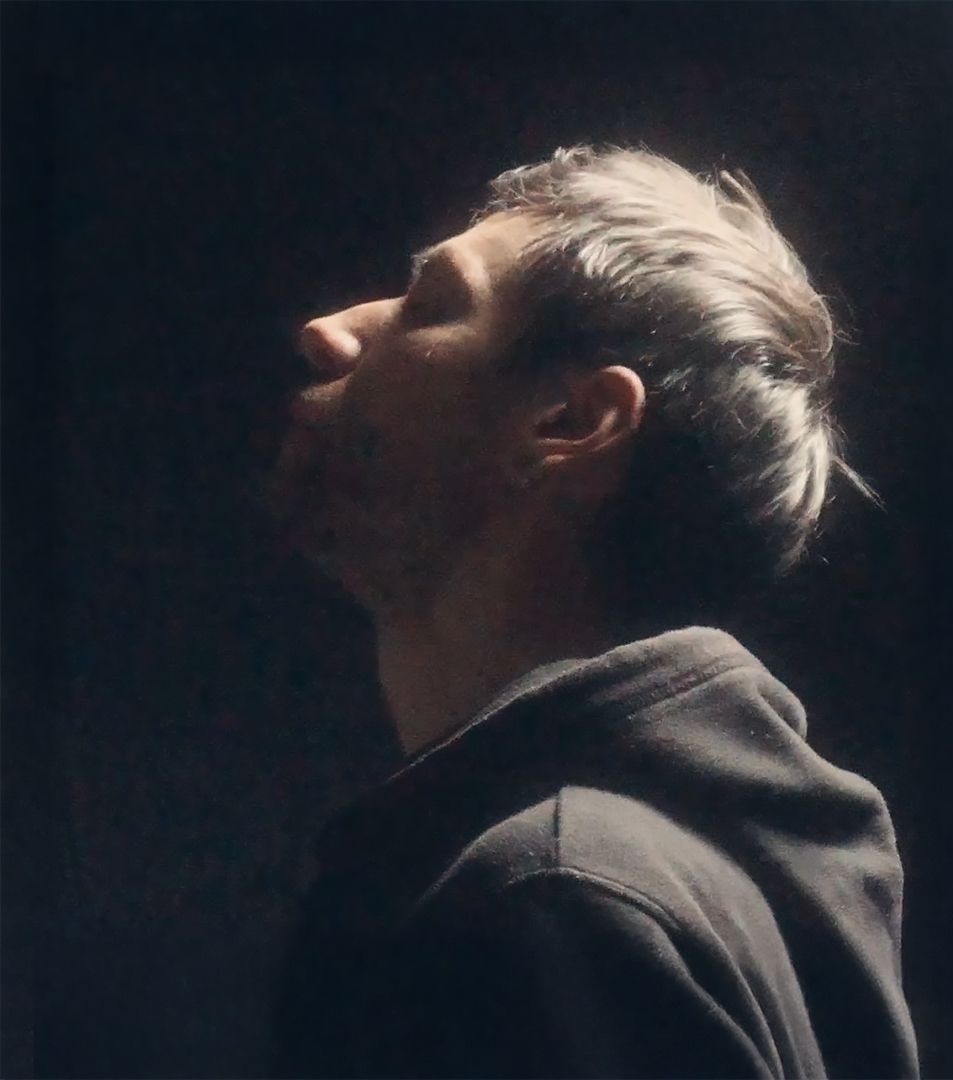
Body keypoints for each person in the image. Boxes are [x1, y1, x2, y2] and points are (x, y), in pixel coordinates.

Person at [262, 145, 919, 1078]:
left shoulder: (551, 904)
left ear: (571, 422)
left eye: (433, 304)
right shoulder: (657, 891)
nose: (328, 332)